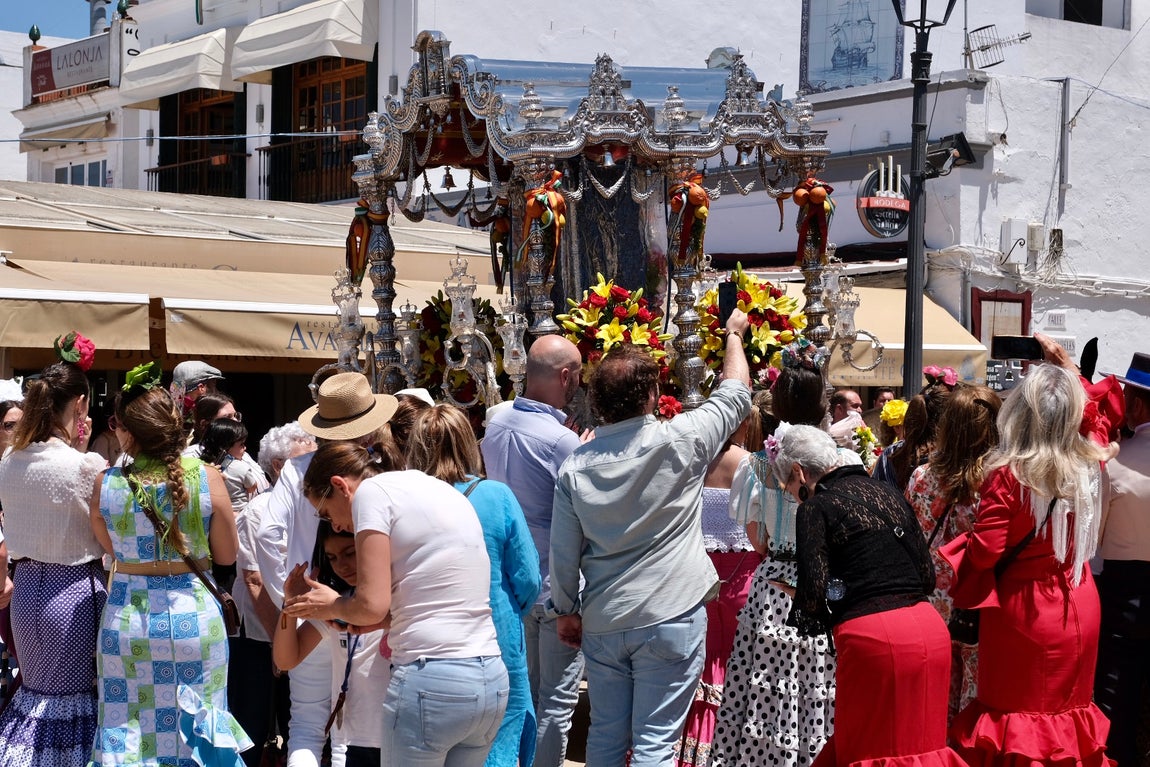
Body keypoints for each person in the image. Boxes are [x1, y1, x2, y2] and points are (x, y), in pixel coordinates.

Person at [549, 309, 752, 767]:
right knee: (655, 742)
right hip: (671, 612)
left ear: (597, 402)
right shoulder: (683, 437)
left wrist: (566, 611)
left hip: (607, 616)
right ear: (654, 395)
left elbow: (564, 552)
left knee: (603, 735)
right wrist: (734, 337)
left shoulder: (576, 467)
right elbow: (737, 393)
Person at [288, 440, 508, 767]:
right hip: (490, 677)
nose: (333, 525)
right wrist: (383, 620)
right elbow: (437, 597)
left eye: (325, 512)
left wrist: (332, 604)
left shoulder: (370, 494)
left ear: (339, 486)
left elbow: (370, 605)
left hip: (431, 681)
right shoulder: (437, 489)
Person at [940, 364, 1114, 767]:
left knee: (1017, 723)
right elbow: (1101, 420)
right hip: (1078, 598)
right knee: (1068, 719)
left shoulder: (1008, 474)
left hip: (1026, 611)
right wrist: (1069, 370)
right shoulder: (1092, 462)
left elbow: (985, 553)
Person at [87, 362, 250, 765]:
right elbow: (227, 555)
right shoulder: (209, 477)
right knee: (195, 737)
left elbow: (113, 550)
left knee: (126, 733)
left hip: (127, 622)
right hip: (192, 618)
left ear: (126, 429)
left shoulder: (105, 483)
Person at [779, 425, 961, 767]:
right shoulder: (887, 493)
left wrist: (802, 594)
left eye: (788, 487)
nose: (791, 495)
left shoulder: (816, 508)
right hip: (930, 630)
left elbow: (812, 606)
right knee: (923, 748)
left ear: (798, 473)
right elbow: (925, 575)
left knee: (870, 750)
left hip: (876, 640)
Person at [254, 372, 399, 767]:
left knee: (306, 725)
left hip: (310, 608)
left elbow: (267, 533)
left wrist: (291, 597)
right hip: (366, 604)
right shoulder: (378, 469)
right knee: (348, 731)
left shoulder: (298, 468)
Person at [711, 339, 840, 767]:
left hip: (771, 590)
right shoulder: (842, 458)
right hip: (821, 587)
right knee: (812, 684)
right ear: (822, 403)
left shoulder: (758, 464)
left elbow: (756, 537)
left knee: (765, 688)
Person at [408, 404, 542, 767]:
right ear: (470, 444)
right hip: (495, 638)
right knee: (497, 745)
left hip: (424, 644)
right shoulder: (496, 496)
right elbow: (529, 577)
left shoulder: (405, 500)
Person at [481, 334, 585, 767]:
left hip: (513, 579)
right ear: (565, 377)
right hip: (557, 583)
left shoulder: (497, 419)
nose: (579, 384)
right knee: (556, 702)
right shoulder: (562, 442)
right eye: (577, 376)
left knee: (523, 692)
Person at [0, 356, 104, 767]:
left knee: (35, 697)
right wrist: (81, 450)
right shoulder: (87, 465)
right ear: (79, 405)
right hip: (74, 593)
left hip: (26, 592)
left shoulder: (8, 462)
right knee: (76, 707)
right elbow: (103, 534)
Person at [906, 384, 1002, 721]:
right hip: (976, 605)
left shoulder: (921, 476)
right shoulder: (994, 484)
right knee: (972, 702)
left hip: (928, 603)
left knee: (932, 703)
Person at [674, 412, 761, 767]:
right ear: (740, 425)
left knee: (700, 664)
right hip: (743, 576)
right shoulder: (750, 463)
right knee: (739, 665)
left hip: (697, 576)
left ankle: (692, 750)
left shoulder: (691, 460)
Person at [232, 423, 314, 767]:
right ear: (280, 466)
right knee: (253, 726)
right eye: (305, 459)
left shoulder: (310, 506)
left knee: (297, 724)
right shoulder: (256, 511)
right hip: (262, 636)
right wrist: (282, 644)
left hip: (300, 636)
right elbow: (254, 581)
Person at [273, 527, 389, 767]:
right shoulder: (336, 603)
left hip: (401, 741)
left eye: (349, 553)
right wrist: (291, 606)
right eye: (333, 558)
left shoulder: (402, 598)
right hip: (347, 747)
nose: (342, 565)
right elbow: (285, 659)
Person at [1095, 351, 1150, 767]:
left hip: (1121, 591)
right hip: (1127, 586)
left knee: (1117, 695)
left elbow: (1093, 545)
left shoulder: (1114, 466)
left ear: (1135, 403)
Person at [200, 418, 262, 515]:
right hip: (241, 514)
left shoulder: (203, 466)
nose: (245, 447)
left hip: (214, 515)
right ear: (225, 447)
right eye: (241, 444)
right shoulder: (241, 467)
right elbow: (252, 487)